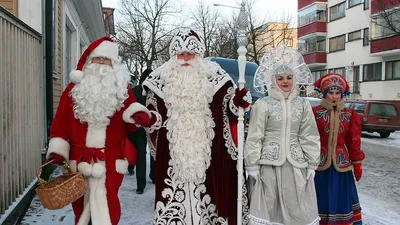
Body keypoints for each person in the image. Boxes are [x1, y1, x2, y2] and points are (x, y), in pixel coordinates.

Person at [140, 29, 251, 224]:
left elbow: (229, 110)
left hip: (209, 154)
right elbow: (155, 116)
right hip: (173, 157)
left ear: (198, 54)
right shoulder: (158, 81)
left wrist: (239, 102)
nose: (184, 59)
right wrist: (148, 119)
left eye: (189, 54)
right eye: (180, 54)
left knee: (209, 200)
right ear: (173, 55)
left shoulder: (216, 77)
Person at [46, 37, 152, 225]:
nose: (102, 63)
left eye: (106, 59)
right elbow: (60, 124)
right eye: (98, 59)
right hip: (79, 159)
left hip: (110, 159)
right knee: (80, 205)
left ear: (114, 64)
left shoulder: (122, 90)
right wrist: (58, 150)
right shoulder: (73, 90)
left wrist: (137, 115)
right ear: (89, 61)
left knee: (109, 204)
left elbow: (130, 114)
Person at [244, 46, 321, 225]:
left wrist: (312, 163)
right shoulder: (263, 104)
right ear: (273, 80)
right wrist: (252, 164)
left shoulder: (303, 105)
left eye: (289, 77)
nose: (285, 81)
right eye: (280, 78)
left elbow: (309, 134)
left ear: (295, 79)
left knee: (297, 208)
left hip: (295, 166)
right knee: (269, 207)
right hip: (269, 166)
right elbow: (255, 135)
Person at [312, 73, 365, 225]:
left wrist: (357, 163)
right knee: (320, 197)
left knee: (341, 198)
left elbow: (354, 140)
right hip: (319, 165)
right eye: (330, 92)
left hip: (342, 167)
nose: (334, 96)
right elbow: (308, 137)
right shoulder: (315, 113)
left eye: (337, 93)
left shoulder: (350, 114)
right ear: (324, 93)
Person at [127, 68, 155, 194]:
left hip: (137, 127)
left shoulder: (134, 91)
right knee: (153, 152)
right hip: (153, 125)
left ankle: (140, 185)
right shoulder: (155, 91)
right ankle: (153, 175)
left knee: (140, 154)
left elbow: (128, 108)